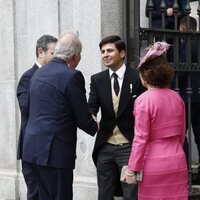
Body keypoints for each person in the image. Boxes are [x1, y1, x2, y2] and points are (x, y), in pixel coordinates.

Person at [21, 32, 99, 200]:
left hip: (32, 149)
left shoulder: (37, 74)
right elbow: (82, 117)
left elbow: (28, 108)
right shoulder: (72, 76)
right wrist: (95, 125)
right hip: (55, 152)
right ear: (76, 55)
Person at [123, 41, 188, 199]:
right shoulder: (177, 98)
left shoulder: (143, 100)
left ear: (145, 76)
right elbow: (181, 133)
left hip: (153, 162)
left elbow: (141, 138)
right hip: (177, 159)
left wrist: (132, 167)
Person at [88, 35, 146, 200]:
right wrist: (91, 115)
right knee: (104, 195)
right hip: (105, 146)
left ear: (122, 53)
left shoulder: (137, 78)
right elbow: (92, 105)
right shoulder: (97, 79)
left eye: (110, 50)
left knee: (131, 194)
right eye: (103, 51)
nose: (105, 54)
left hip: (129, 147)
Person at [16, 34, 57, 200]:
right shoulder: (28, 77)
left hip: (52, 148)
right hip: (32, 149)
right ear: (41, 52)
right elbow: (26, 108)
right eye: (54, 53)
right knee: (35, 194)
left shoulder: (57, 75)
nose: (58, 58)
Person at [178, 16, 200, 184]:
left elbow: (182, 70)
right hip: (198, 96)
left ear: (183, 29)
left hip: (186, 96)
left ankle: (184, 171)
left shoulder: (187, 44)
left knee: (179, 135)